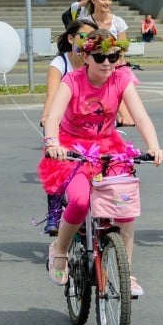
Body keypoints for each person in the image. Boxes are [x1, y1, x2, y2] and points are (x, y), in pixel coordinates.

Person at [38, 30, 163, 297]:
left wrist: (154, 146)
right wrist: (53, 143)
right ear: (85, 56)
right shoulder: (71, 81)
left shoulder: (121, 79)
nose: (107, 63)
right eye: (100, 57)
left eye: (113, 56)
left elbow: (140, 117)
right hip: (71, 150)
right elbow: (52, 117)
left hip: (109, 150)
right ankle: (60, 249)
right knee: (80, 200)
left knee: (125, 206)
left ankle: (125, 272)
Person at [40, 18, 97, 234]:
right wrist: (47, 116)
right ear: (71, 38)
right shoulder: (60, 64)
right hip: (62, 123)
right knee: (54, 161)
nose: (85, 42)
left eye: (90, 38)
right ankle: (54, 211)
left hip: (90, 125)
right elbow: (52, 94)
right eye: (81, 36)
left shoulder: (95, 61)